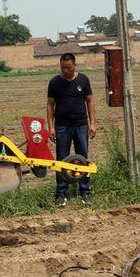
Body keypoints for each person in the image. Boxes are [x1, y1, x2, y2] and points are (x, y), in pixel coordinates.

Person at [46, 53, 97, 207]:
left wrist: (92, 123)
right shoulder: (55, 82)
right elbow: (50, 105)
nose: (65, 70)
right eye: (62, 67)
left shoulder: (83, 80)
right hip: (62, 127)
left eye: (68, 67)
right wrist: (51, 127)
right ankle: (61, 193)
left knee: (82, 158)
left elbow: (90, 101)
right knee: (61, 160)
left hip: (81, 125)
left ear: (75, 66)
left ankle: (85, 191)